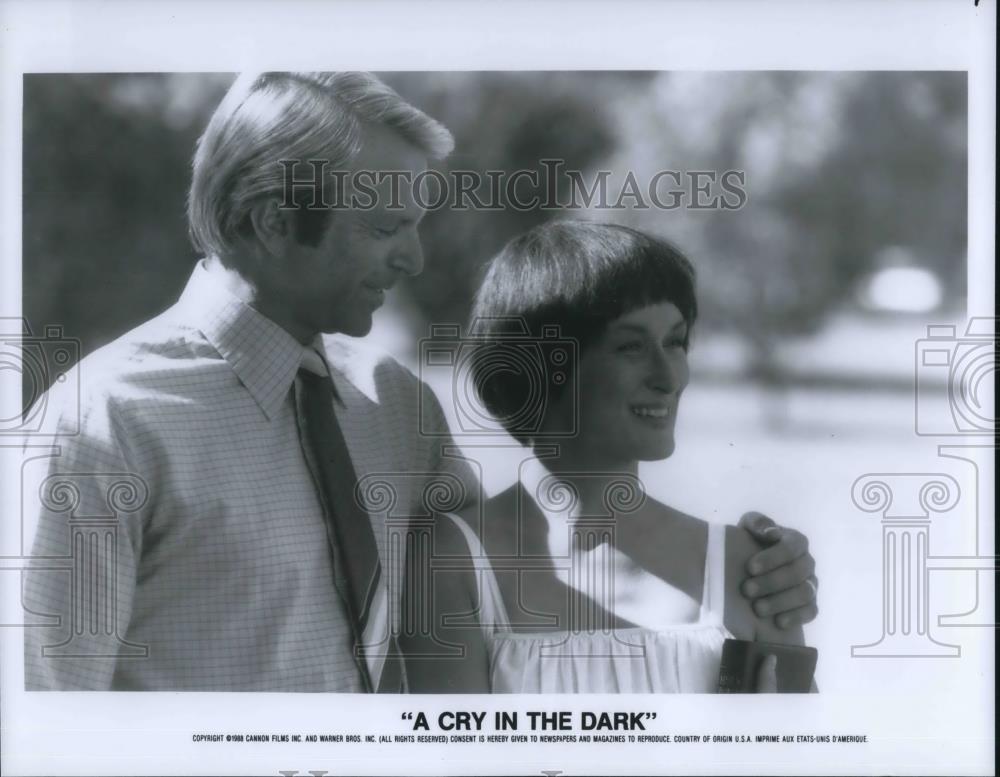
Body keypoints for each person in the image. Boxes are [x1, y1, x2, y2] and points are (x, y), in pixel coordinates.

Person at [23, 72, 816, 692]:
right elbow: (45, 717)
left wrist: (747, 577)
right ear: (269, 220)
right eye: (383, 227)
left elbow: (514, 589)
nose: (414, 259)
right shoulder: (104, 425)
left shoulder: (396, 407)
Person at [402, 220, 817, 693]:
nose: (668, 376)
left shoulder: (751, 570)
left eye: (676, 342)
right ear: (544, 367)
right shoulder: (453, 561)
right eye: (631, 347)